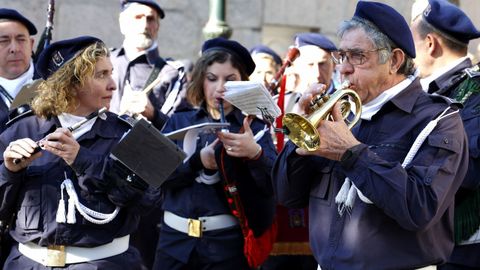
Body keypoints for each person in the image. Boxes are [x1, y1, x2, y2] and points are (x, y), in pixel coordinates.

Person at [272, 1, 469, 269]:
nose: (343, 69)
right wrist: (302, 137)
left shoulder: (439, 119)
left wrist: (350, 154)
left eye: (357, 56)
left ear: (395, 60)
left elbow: (420, 209)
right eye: (341, 56)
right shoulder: (342, 113)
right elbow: (288, 196)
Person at [0, 36, 160, 269]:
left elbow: (149, 202)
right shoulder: (19, 130)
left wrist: (83, 160)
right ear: (70, 84)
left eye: (110, 72)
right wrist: (8, 171)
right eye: (101, 75)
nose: (113, 84)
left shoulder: (133, 134)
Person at [153, 37, 277, 270]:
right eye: (212, 79)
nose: (220, 88)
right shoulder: (179, 120)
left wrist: (255, 154)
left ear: (243, 83)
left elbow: (272, 185)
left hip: (226, 247)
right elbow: (157, 178)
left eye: (230, 80)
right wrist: (198, 162)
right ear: (201, 80)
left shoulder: (253, 127)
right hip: (173, 244)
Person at [410, 0, 480, 269]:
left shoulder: (473, 91)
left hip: (462, 249)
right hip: (430, 242)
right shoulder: (424, 91)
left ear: (429, 44)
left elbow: (466, 173)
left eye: (409, 42)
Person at [110, 0, 187, 130]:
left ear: (157, 26)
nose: (144, 25)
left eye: (150, 19)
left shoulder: (172, 73)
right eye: (138, 17)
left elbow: (182, 131)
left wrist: (154, 115)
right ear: (123, 22)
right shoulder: (104, 61)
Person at [0, 8, 37, 133]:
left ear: (31, 44)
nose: (14, 49)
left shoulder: (54, 83)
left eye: (21, 40)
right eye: (3, 41)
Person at [282, 33, 337, 113]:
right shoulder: (284, 103)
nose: (317, 73)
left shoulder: (348, 103)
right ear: (296, 66)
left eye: (322, 64)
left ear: (334, 65)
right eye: (310, 64)